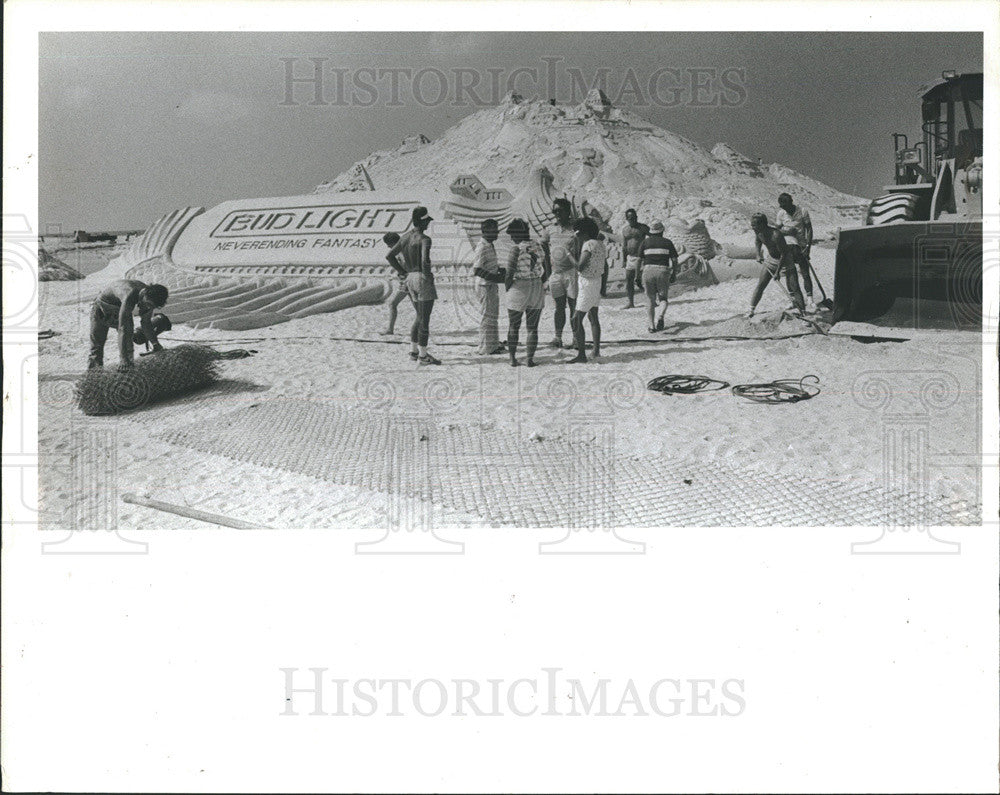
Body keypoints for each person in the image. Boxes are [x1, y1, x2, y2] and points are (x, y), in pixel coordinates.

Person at [386, 207, 441, 365]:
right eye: (427, 221)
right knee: (424, 319)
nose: (428, 224)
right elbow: (425, 260)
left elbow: (389, 256)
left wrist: (402, 271)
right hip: (421, 277)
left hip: (409, 277)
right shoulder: (424, 239)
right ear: (422, 221)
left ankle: (414, 351)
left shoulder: (404, 238)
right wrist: (427, 274)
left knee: (418, 316)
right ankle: (423, 356)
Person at [88, 280, 169, 370]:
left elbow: (146, 323)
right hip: (101, 308)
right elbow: (122, 328)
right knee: (97, 347)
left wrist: (155, 344)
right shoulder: (129, 295)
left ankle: (128, 371)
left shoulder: (150, 298)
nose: (148, 307)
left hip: (120, 307)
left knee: (128, 345)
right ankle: (94, 378)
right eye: (148, 304)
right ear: (145, 294)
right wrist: (123, 359)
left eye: (152, 306)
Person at [504, 218, 546, 367]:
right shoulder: (538, 246)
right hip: (536, 285)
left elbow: (509, 273)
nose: (511, 238)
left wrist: (507, 287)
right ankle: (529, 359)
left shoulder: (516, 249)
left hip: (520, 287)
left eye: (512, 235)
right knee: (532, 328)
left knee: (513, 326)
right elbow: (546, 268)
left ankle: (512, 358)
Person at [747, 213, 806, 318]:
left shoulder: (776, 235)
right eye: (752, 225)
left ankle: (803, 312)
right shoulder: (758, 232)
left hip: (786, 260)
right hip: (771, 259)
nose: (752, 228)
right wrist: (757, 254)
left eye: (754, 225)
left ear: (763, 224)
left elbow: (783, 254)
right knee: (761, 285)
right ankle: (751, 310)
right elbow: (757, 242)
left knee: (795, 287)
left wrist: (777, 272)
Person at [566, 217, 606, 364]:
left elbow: (580, 266)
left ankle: (581, 354)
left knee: (576, 319)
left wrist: (568, 254)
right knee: (593, 317)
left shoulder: (588, 244)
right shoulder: (600, 244)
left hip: (587, 283)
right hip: (597, 281)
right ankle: (596, 350)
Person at [541, 198, 579, 348]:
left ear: (567, 211)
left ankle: (576, 338)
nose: (556, 213)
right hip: (555, 274)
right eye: (554, 210)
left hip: (571, 273)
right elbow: (545, 252)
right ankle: (558, 337)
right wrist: (548, 274)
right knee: (559, 307)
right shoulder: (549, 229)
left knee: (574, 306)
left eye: (559, 210)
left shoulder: (575, 229)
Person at [776, 193, 816, 312]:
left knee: (805, 272)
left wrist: (808, 247)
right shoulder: (781, 214)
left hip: (802, 246)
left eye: (786, 206)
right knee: (790, 274)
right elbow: (777, 230)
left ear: (791, 202)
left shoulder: (802, 211)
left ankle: (810, 299)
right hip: (788, 246)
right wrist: (787, 232)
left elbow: (809, 229)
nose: (784, 209)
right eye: (782, 207)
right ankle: (793, 299)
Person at [471, 219, 506, 355]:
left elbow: (488, 265)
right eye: (494, 230)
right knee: (487, 315)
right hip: (485, 285)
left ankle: (493, 344)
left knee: (493, 315)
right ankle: (485, 347)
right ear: (485, 231)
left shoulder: (489, 245)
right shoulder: (482, 246)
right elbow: (477, 269)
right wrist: (496, 278)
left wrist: (499, 270)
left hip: (491, 284)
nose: (497, 232)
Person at [638, 221, 679, 332]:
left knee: (650, 300)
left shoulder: (645, 242)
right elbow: (675, 260)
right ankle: (660, 316)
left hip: (648, 271)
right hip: (663, 271)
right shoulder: (668, 242)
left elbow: (639, 260)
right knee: (663, 298)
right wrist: (674, 273)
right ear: (662, 231)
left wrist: (638, 275)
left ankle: (651, 326)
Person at [379, 232, 411, 336]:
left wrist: (402, 272)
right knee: (417, 307)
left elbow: (406, 267)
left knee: (392, 304)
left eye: (388, 244)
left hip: (407, 281)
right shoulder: (405, 249)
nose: (388, 246)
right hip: (408, 280)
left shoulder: (401, 252)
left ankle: (390, 329)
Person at [620, 208, 649, 308]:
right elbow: (624, 246)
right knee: (629, 280)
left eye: (634, 217)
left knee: (646, 280)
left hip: (641, 257)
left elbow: (653, 237)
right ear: (627, 219)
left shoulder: (643, 228)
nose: (632, 220)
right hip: (630, 258)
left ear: (636, 217)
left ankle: (652, 300)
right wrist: (623, 259)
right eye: (630, 218)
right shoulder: (625, 230)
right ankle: (631, 302)